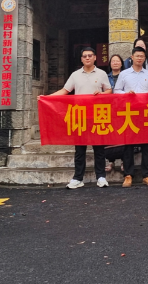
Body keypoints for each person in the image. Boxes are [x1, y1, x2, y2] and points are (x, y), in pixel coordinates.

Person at [53, 47, 112, 189]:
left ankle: (101, 177)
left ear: (95, 57)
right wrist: (47, 97)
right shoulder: (75, 75)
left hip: (97, 115)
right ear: (81, 59)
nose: (87, 58)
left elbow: (109, 90)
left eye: (90, 55)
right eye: (84, 56)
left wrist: (102, 94)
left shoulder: (102, 73)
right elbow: (65, 90)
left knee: (99, 148)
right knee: (80, 149)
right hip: (80, 115)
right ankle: (78, 178)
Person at [113, 47, 148, 187]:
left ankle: (147, 175)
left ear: (144, 58)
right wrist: (126, 94)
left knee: (147, 144)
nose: (139, 58)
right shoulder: (124, 74)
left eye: (142, 56)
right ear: (132, 57)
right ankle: (128, 175)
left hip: (144, 112)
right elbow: (116, 90)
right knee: (128, 145)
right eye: (137, 56)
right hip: (129, 112)